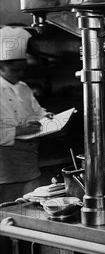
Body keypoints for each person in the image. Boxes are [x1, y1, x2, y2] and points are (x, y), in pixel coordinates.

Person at [0, 26, 54, 204]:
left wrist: (48, 117)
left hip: (29, 158)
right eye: (15, 71)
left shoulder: (23, 87)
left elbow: (37, 111)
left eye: (23, 70)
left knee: (31, 202)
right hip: (5, 163)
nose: (21, 74)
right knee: (8, 208)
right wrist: (17, 131)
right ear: (1, 66)